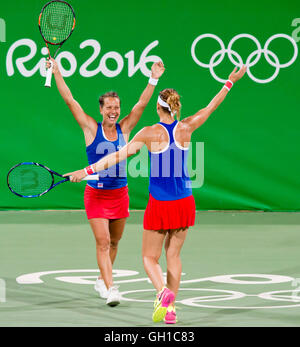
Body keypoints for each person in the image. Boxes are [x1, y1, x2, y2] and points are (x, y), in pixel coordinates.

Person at [64, 65, 247, 322]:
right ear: (174, 107)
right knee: (173, 255)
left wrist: (87, 169)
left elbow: (118, 155)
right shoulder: (187, 127)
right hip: (185, 202)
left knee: (149, 258)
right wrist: (229, 81)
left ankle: (163, 293)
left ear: (158, 108)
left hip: (161, 204)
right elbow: (210, 107)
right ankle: (170, 311)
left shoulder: (148, 133)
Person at [47, 57, 165, 306]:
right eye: (109, 108)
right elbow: (70, 99)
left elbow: (142, 104)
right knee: (102, 242)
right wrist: (56, 71)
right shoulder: (90, 128)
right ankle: (111, 288)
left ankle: (102, 279)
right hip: (96, 196)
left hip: (120, 194)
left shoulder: (125, 129)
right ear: (101, 109)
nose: (113, 111)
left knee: (114, 242)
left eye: (116, 107)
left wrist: (153, 78)